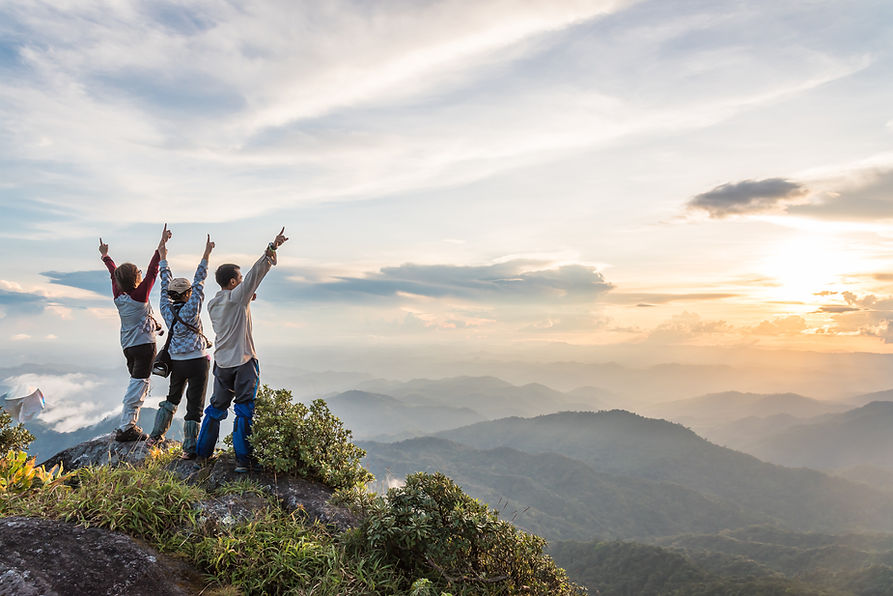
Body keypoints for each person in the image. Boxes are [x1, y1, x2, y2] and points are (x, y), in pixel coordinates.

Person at [195, 227, 289, 472]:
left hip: (222, 364)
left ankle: (202, 454)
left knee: (216, 408)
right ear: (234, 282)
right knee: (245, 410)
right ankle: (243, 461)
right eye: (239, 278)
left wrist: (247, 298)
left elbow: (238, 299)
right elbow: (256, 274)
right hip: (244, 361)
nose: (242, 279)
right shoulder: (238, 297)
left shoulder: (214, 304)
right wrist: (272, 248)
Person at [100, 224, 171, 442]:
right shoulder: (139, 296)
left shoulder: (118, 295)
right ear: (135, 279)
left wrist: (106, 256)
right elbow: (153, 271)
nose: (142, 274)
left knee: (137, 381)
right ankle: (127, 427)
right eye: (138, 272)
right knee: (139, 384)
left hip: (128, 347)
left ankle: (129, 424)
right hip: (144, 347)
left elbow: (114, 274)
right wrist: (161, 248)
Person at [148, 234, 215, 459]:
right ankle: (189, 449)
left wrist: (163, 257)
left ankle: (155, 436)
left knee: (172, 397)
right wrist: (206, 254)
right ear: (188, 294)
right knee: (194, 405)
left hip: (177, 362)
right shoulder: (192, 308)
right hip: (198, 361)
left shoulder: (166, 309)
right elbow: (200, 281)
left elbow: (164, 281)